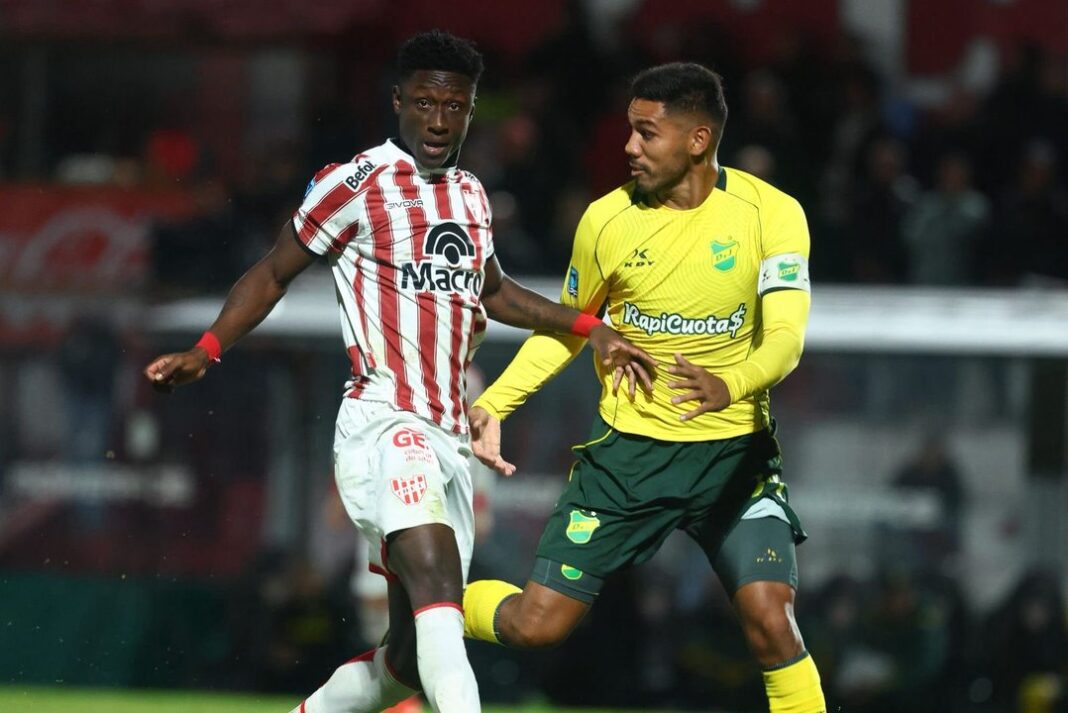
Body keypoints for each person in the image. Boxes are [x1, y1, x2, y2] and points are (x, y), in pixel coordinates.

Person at [143, 30, 653, 713]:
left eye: (455, 107)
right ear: (398, 102)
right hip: (385, 424)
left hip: (448, 437)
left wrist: (589, 328)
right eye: (425, 102)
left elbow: (495, 291)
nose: (439, 120)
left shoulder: (472, 195)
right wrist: (206, 349)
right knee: (442, 588)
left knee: (408, 661)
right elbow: (272, 272)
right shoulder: (353, 183)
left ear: (471, 111)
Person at [463, 62, 827, 713]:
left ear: (697, 139)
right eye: (630, 131)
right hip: (628, 458)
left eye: (646, 133)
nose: (628, 147)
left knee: (772, 621)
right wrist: (493, 402)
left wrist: (732, 381)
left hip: (732, 458)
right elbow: (569, 329)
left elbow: (787, 340)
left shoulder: (772, 215)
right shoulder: (608, 221)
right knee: (535, 624)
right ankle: (433, 609)